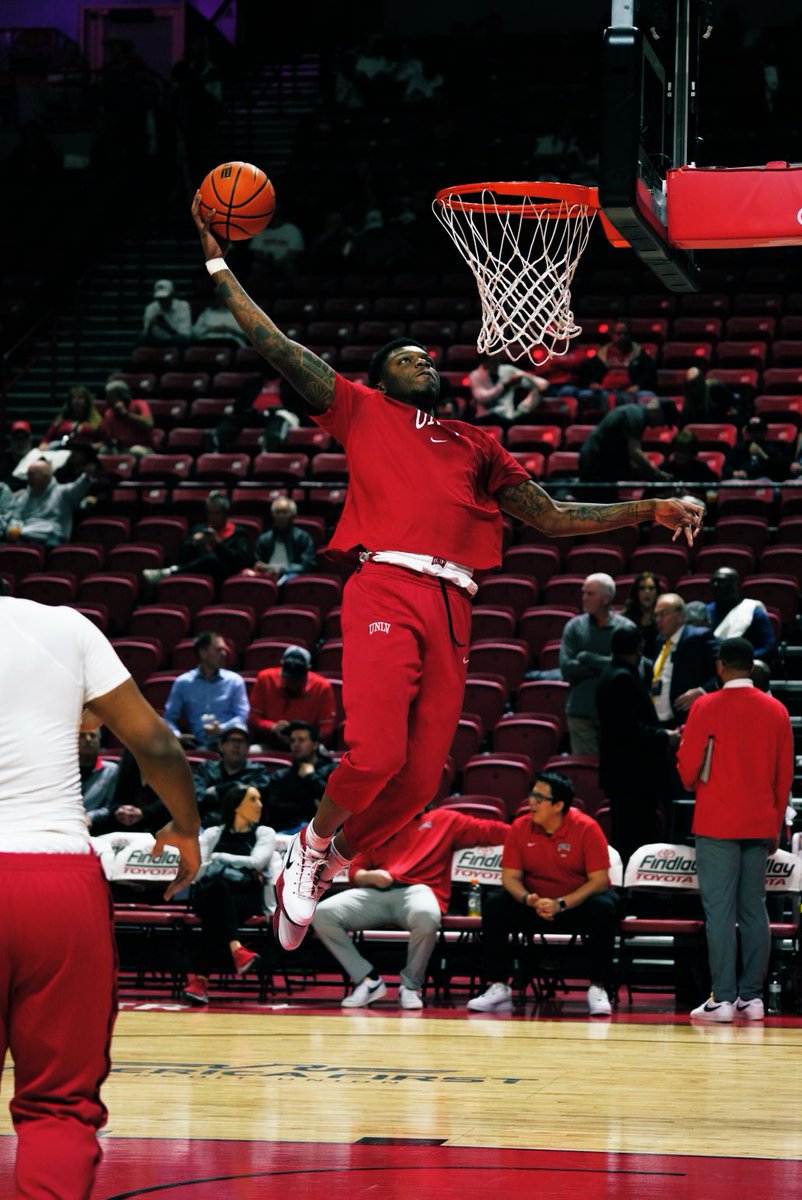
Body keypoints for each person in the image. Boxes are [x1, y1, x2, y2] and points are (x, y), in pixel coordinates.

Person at [191, 194, 702, 952]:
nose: (421, 362)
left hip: (455, 601)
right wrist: (216, 262)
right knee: (377, 754)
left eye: (426, 357)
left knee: (422, 778)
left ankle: (319, 853)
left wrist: (649, 508)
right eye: (405, 358)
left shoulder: (475, 442)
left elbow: (553, 516)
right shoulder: (359, 409)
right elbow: (273, 342)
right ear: (380, 377)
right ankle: (310, 846)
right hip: (386, 584)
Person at [0, 596, 200, 1197]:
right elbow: (158, 745)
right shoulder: (63, 625)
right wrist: (186, 829)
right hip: (52, 873)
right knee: (58, 1106)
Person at [677, 637, 793, 1022]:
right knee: (755, 910)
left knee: (720, 913)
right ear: (752, 666)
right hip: (760, 824)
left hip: (717, 822)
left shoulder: (705, 706)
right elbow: (784, 776)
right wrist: (775, 826)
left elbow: (688, 770)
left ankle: (722, 999)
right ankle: (752, 998)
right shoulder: (776, 710)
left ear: (721, 667)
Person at [313, 805, 508, 1010]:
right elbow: (357, 869)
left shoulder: (445, 819)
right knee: (322, 914)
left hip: (418, 891)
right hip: (377, 891)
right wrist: (368, 876)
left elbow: (494, 831)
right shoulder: (377, 822)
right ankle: (367, 980)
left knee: (426, 915)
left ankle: (410, 986)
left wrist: (528, 830)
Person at [467, 772, 619, 1017]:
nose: (532, 802)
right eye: (532, 795)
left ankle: (598, 988)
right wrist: (529, 899)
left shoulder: (586, 828)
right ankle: (498, 986)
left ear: (559, 805)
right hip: (534, 904)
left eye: (539, 797)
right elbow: (510, 877)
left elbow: (599, 881)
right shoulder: (520, 826)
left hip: (575, 905)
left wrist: (561, 904)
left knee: (603, 907)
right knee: (495, 904)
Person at [182, 782, 276, 1006]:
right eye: (253, 799)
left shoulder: (264, 833)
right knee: (217, 890)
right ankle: (237, 949)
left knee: (215, 915)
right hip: (211, 894)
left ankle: (200, 982)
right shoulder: (213, 833)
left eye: (260, 799)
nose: (259, 805)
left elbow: (256, 862)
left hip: (244, 897)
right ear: (236, 805)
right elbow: (195, 872)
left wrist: (220, 858)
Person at [597, 626, 679, 865]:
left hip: (624, 773)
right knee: (634, 837)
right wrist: (664, 736)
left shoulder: (611, 673)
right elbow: (628, 729)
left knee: (628, 833)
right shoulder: (622, 678)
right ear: (639, 647)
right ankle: (633, 893)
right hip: (632, 774)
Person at [559, 573, 636, 755]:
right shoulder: (574, 626)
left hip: (617, 715)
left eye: (590, 594)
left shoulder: (626, 628)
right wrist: (610, 665)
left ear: (606, 599)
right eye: (584, 593)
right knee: (587, 774)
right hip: (581, 713)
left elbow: (631, 670)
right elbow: (567, 668)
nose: (584, 598)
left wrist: (587, 657)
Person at [142, 491, 253, 591]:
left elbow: (240, 562)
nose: (213, 517)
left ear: (225, 514)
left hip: (223, 578)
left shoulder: (238, 534)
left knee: (211, 560)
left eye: (217, 513)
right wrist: (193, 543)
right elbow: (183, 557)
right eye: (210, 513)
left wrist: (218, 544)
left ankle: (171, 572)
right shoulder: (199, 529)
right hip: (195, 577)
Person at [163, 631, 249, 749]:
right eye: (218, 650)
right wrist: (177, 736)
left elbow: (242, 715)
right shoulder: (183, 683)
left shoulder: (235, 681)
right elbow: (169, 718)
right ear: (203, 653)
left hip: (228, 742)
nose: (224, 654)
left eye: (224, 650)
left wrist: (222, 729)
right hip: (196, 743)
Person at [248, 646, 337, 750]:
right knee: (252, 751)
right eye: (289, 678)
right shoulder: (265, 679)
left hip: (307, 746)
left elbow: (327, 729)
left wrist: (301, 737)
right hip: (270, 741)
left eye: (297, 679)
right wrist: (273, 727)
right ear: (282, 666)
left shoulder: (322, 687)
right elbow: (253, 718)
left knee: (323, 754)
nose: (293, 683)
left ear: (308, 670)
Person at [652, 592, 719, 726]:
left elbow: (725, 670)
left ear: (680, 615)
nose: (658, 620)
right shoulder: (660, 641)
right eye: (656, 615)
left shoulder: (699, 637)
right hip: (660, 722)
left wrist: (702, 690)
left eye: (663, 614)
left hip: (688, 720)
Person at [192, 722, 270, 827]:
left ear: (248, 748)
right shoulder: (206, 768)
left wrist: (217, 790)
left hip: (244, 830)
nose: (236, 745)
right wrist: (237, 789)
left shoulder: (258, 771)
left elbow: (252, 800)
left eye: (241, 741)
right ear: (221, 746)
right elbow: (197, 798)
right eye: (232, 740)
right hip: (205, 827)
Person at [265, 720, 337, 832]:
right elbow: (274, 809)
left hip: (321, 834)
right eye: (293, 741)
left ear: (315, 744)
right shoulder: (281, 775)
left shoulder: (332, 770)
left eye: (301, 740)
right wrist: (311, 805)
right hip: (286, 833)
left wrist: (311, 777)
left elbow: (334, 805)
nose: (296, 744)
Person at [6, 457, 95, 546]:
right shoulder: (25, 496)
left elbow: (77, 489)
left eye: (32, 475)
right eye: (28, 475)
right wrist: (13, 528)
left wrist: (86, 477)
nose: (28, 479)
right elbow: (16, 517)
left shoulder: (62, 492)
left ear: (46, 477)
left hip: (51, 538)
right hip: (25, 536)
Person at [706, 567, 776, 661]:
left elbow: (768, 649)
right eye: (713, 582)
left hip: (745, 668)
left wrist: (738, 661)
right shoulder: (705, 612)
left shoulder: (753, 612)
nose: (715, 585)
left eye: (722, 581)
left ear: (736, 585)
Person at [579, 320, 657, 404]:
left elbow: (650, 374)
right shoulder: (603, 353)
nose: (622, 336)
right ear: (612, 335)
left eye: (625, 334)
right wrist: (593, 384)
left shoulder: (639, 353)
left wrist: (638, 386)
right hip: (604, 391)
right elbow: (585, 373)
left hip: (630, 391)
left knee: (649, 395)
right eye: (619, 334)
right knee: (584, 394)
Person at [468, 352, 548, 425]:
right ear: (483, 361)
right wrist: (505, 385)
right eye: (491, 360)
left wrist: (535, 385)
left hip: (506, 417)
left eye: (497, 359)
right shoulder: (475, 375)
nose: (495, 363)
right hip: (485, 417)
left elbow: (542, 383)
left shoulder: (507, 370)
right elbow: (483, 398)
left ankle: (522, 409)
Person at [253, 496, 318, 582]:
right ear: (273, 515)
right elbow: (257, 564)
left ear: (293, 515)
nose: (281, 516)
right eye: (277, 512)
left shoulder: (303, 538)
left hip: (292, 577)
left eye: (285, 512)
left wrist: (280, 569)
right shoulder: (264, 539)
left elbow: (307, 566)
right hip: (267, 577)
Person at [724, 415, 790, 482]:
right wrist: (735, 473)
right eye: (751, 431)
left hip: (764, 479)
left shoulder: (772, 448)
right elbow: (726, 467)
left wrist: (762, 454)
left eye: (757, 431)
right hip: (743, 480)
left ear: (764, 432)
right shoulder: (740, 448)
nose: (753, 434)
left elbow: (781, 468)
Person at [97, 379, 155, 455]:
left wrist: (126, 414)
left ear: (122, 396)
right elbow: (109, 437)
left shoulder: (140, 404)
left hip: (142, 447)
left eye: (111, 397)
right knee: (104, 451)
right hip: (121, 449)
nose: (108, 400)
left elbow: (149, 423)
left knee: (135, 451)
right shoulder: (109, 413)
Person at [79, 728, 120, 832]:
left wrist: (90, 816)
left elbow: (111, 806)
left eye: (93, 736)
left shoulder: (112, 770)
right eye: (82, 736)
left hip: (96, 826)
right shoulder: (64, 769)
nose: (88, 739)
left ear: (99, 741)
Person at [621, 570, 662, 661]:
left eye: (651, 588)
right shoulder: (627, 617)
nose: (647, 592)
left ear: (657, 592)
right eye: (642, 588)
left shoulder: (663, 617)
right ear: (637, 592)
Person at [140, 278, 192, 347]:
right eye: (159, 298)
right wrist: (150, 326)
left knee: (182, 341)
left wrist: (167, 328)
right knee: (141, 338)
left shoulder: (183, 306)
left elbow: (185, 335)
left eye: (165, 298)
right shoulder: (151, 308)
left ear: (172, 295)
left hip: (176, 342)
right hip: (156, 342)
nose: (162, 301)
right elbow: (146, 334)